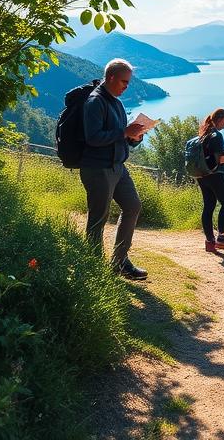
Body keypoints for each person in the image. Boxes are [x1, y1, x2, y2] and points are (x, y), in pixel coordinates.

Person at [80, 58, 148, 280]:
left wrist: (134, 137)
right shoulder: (95, 102)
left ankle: (119, 262)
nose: (126, 86)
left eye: (128, 82)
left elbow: (121, 138)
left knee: (133, 206)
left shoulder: (117, 103)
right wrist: (124, 133)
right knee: (99, 217)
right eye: (123, 82)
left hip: (117, 166)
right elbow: (93, 138)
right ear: (110, 78)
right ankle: (93, 268)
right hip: (98, 168)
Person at [197, 108, 224, 254]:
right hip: (216, 175)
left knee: (209, 206)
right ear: (220, 119)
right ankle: (221, 238)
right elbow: (219, 159)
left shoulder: (204, 134)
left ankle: (210, 242)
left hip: (202, 176)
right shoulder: (217, 135)